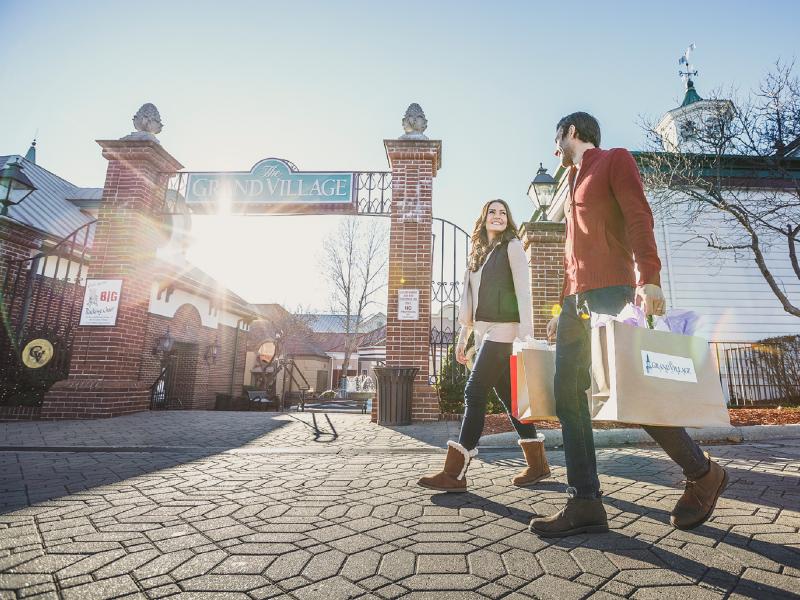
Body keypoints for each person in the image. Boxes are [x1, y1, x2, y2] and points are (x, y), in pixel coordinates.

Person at [529, 112, 728, 537]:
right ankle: (585, 502)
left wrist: (649, 277)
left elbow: (639, 215)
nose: (553, 147)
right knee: (568, 399)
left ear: (572, 132)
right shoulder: (570, 184)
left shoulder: (614, 160)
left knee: (634, 396)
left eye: (555, 137)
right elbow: (571, 257)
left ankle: (703, 473)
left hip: (612, 294)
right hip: (575, 306)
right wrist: (560, 310)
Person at [418, 199, 551, 492]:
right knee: (508, 397)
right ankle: (538, 465)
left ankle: (454, 474)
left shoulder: (513, 246)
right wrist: (463, 338)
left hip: (506, 328)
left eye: (504, 212)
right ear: (483, 218)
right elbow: (471, 303)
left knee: (474, 390)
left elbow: (524, 291)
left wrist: (525, 335)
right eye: (493, 211)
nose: (498, 216)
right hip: (483, 331)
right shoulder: (477, 255)